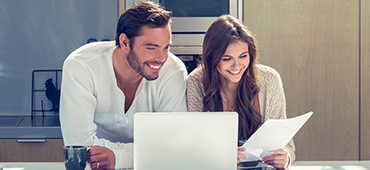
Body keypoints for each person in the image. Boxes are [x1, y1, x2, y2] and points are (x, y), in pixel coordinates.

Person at [60, 2, 187, 169]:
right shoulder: (81, 66)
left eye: (166, 47)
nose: (162, 58)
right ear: (125, 42)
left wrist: (118, 157)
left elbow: (173, 142)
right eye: (151, 48)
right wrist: (148, 150)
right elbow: (80, 147)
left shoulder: (173, 71)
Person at [186, 15, 295, 169]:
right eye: (226, 59)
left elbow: (288, 145)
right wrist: (221, 155)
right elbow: (193, 147)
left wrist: (286, 157)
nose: (237, 66)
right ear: (212, 59)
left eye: (243, 56)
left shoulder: (270, 79)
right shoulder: (196, 83)